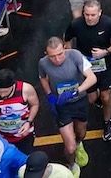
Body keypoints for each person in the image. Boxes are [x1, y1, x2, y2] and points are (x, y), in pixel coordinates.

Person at [63, 0, 111, 141]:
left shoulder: (108, 24)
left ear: (100, 13)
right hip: (86, 67)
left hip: (105, 65)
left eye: (93, 15)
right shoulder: (76, 24)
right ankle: (98, 99)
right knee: (91, 98)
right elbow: (67, 38)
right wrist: (70, 53)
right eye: (87, 14)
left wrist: (106, 51)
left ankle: (107, 122)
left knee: (106, 96)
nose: (89, 18)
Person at [37, 37, 96, 173]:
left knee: (81, 133)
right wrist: (49, 95)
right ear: (46, 54)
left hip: (79, 102)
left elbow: (92, 78)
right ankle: (71, 165)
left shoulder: (75, 55)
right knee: (70, 147)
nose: (57, 59)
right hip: (62, 106)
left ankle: (79, 143)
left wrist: (76, 92)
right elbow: (43, 78)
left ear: (64, 47)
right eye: (52, 56)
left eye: (60, 54)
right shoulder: (43, 63)